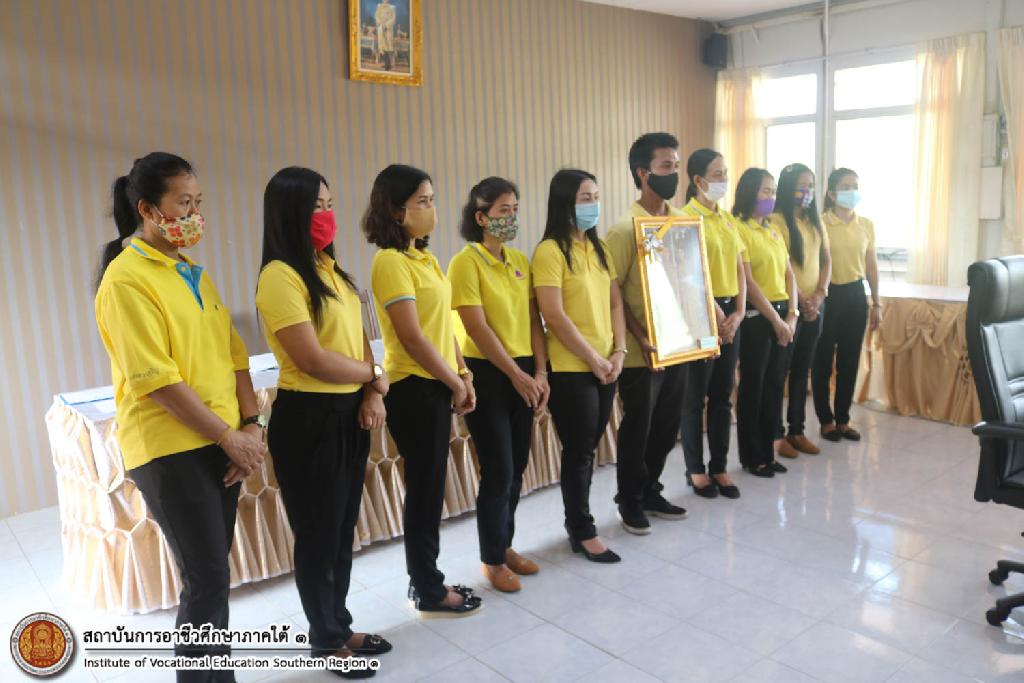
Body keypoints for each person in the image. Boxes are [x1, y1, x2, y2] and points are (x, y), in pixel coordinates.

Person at [94, 153, 266, 683]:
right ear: (148, 210)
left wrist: (251, 426)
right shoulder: (126, 280)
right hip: (171, 448)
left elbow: (235, 356)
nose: (193, 214)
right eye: (182, 203)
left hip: (220, 440)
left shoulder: (193, 273)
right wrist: (228, 437)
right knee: (206, 579)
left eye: (198, 202)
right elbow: (158, 381)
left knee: (213, 577)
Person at [255, 167, 392, 677]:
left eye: (330, 204)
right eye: (316, 206)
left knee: (340, 531)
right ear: (289, 212)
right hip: (309, 417)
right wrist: (374, 376)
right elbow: (312, 359)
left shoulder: (331, 270)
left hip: (348, 411)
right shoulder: (280, 276)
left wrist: (371, 390)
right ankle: (326, 639)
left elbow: (358, 341)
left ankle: (340, 623)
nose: (327, 215)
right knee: (317, 535)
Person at [364, 164, 482, 616]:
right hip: (414, 387)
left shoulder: (424, 258)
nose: (432, 209)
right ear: (396, 211)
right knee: (425, 490)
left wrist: (463, 372)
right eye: (423, 202)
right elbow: (412, 337)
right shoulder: (390, 262)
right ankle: (427, 587)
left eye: (432, 200)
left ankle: (429, 579)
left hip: (439, 381)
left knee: (432, 488)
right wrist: (452, 381)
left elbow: (441, 326)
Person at [448, 177, 548, 593]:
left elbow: (533, 321)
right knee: (498, 469)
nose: (511, 217)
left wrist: (540, 372)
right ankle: (491, 558)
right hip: (489, 372)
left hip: (523, 370)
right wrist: (516, 374)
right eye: (503, 210)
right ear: (481, 217)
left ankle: (504, 545)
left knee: (518, 466)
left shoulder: (520, 260)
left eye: (515, 209)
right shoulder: (465, 262)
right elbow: (477, 327)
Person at [532, 169, 626, 563]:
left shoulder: (598, 248)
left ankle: (581, 523)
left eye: (596, 197)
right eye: (585, 198)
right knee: (580, 451)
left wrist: (619, 351)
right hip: (572, 367)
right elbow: (553, 315)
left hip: (606, 364)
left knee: (590, 448)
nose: (593, 205)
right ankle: (582, 529)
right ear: (565, 203)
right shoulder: (550, 251)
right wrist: (593, 358)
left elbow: (615, 303)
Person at [606, 133, 689, 534]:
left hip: (679, 344)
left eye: (676, 166)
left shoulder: (682, 223)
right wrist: (639, 337)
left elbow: (691, 280)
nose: (673, 173)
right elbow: (614, 294)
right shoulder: (624, 230)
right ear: (643, 173)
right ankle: (629, 499)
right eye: (665, 166)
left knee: (667, 426)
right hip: (642, 352)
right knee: (639, 427)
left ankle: (651, 489)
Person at [679, 149, 745, 499]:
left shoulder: (727, 219)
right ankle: (695, 469)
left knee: (722, 395)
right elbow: (687, 273)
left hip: (730, 312)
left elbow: (740, 268)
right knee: (695, 397)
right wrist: (715, 314)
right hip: (700, 312)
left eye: (725, 173)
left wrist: (739, 312)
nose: (724, 179)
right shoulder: (685, 218)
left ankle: (719, 466)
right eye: (717, 174)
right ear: (698, 180)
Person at [733, 169, 798, 478]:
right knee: (753, 387)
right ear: (749, 192)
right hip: (758, 317)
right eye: (765, 191)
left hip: (783, 315)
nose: (771, 197)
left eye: (773, 191)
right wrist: (776, 320)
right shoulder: (738, 228)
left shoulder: (772, 230)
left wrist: (792, 316)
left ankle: (768, 452)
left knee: (774, 386)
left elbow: (789, 274)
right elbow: (748, 281)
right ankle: (752, 456)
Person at [813, 168, 881, 441]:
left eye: (855, 185)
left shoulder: (866, 224)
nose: (852, 191)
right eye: (845, 186)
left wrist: (877, 302)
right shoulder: (820, 223)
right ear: (831, 193)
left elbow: (871, 265)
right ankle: (825, 420)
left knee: (850, 361)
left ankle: (843, 419)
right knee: (822, 361)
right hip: (828, 295)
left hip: (855, 294)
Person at [771, 163, 831, 456]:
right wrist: (801, 300)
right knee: (779, 372)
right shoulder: (776, 221)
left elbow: (826, 260)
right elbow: (783, 268)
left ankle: (797, 430)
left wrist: (819, 295)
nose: (807, 191)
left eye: (811, 185)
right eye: (801, 185)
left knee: (801, 371)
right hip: (789, 307)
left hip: (815, 306)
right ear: (787, 187)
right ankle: (776, 434)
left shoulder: (814, 221)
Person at [375, 0, 396, 70]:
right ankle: (387, 64)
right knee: (382, 46)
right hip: (381, 28)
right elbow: (377, 16)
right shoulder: (379, 7)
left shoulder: (392, 8)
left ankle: (388, 65)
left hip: (388, 29)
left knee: (388, 46)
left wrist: (386, 25)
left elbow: (393, 19)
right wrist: (381, 23)